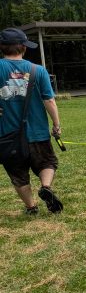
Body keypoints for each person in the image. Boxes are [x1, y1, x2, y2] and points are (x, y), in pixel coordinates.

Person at [0, 27, 63, 215]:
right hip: (38, 133)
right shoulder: (38, 70)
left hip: (7, 135)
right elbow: (49, 100)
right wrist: (56, 125)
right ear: (24, 48)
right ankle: (46, 187)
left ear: (2, 47)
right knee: (47, 163)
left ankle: (31, 207)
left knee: (18, 175)